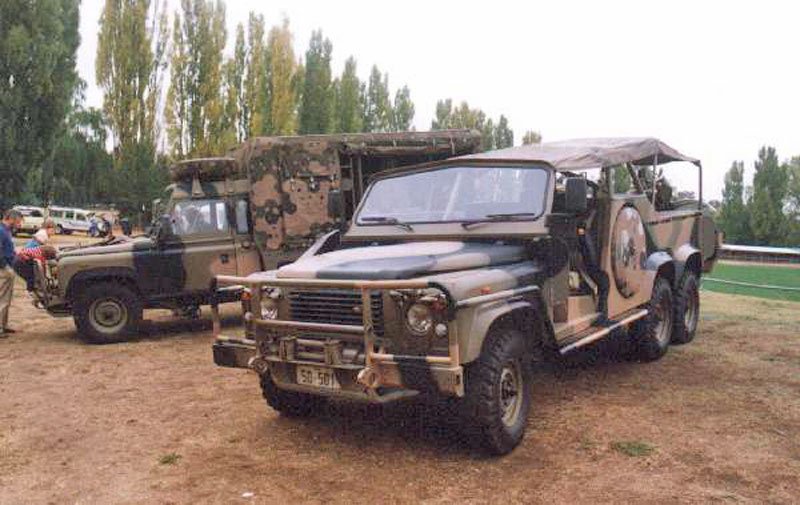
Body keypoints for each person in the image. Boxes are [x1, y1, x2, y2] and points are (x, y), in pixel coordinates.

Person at [0, 209, 23, 337]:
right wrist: (5, 267)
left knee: (6, 298)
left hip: (7, 267)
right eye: (18, 221)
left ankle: (4, 325)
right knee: (2, 298)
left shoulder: (6, 231)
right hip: (3, 269)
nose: (19, 224)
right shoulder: (1, 231)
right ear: (11, 219)